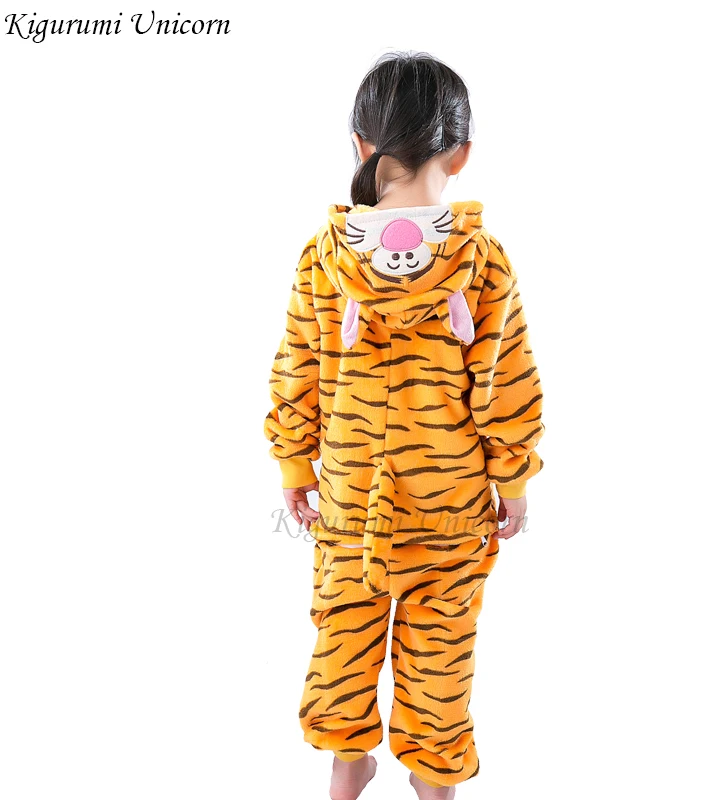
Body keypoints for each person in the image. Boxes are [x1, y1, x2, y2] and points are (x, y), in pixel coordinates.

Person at [264, 50, 545, 800]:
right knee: (441, 654)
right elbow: (507, 385)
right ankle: (434, 777)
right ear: (462, 152)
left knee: (343, 637)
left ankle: (347, 764)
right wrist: (513, 482)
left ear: (360, 145)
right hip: (449, 506)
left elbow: (297, 370)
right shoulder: (482, 261)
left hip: (351, 501)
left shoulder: (325, 257)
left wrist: (294, 466)